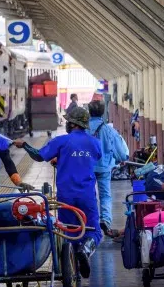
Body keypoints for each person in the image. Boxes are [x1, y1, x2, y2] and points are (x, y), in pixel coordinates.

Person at [14, 107, 102, 278]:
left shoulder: (61, 141)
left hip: (66, 196)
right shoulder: (94, 142)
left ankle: (72, 270)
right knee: (94, 230)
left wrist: (24, 145)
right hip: (86, 195)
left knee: (69, 231)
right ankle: (85, 250)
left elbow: (39, 156)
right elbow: (91, 158)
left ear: (72, 123)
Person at [87, 100, 129, 238]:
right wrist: (117, 160)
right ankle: (105, 220)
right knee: (105, 195)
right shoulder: (109, 130)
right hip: (104, 168)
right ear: (103, 112)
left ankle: (91, 221)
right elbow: (122, 154)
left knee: (90, 195)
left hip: (86, 167)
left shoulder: (83, 129)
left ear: (89, 111)